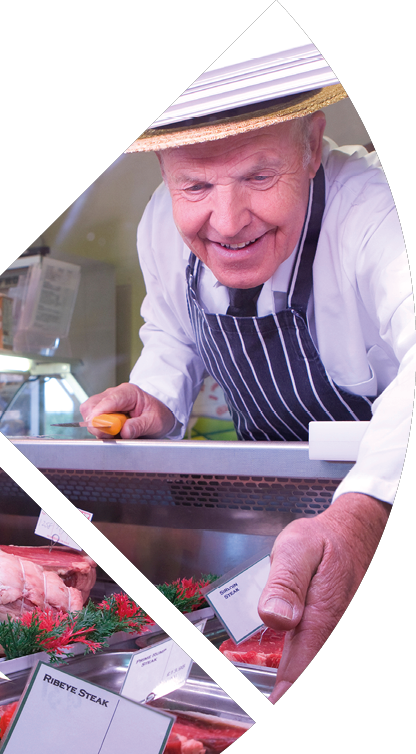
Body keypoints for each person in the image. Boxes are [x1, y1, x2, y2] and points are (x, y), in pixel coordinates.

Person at [80, 85, 415, 703]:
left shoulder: (379, 208)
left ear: (312, 144)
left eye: (259, 175)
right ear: (164, 170)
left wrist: (370, 509)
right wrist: (156, 395)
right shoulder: (161, 222)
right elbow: (170, 332)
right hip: (272, 525)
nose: (229, 221)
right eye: (197, 187)